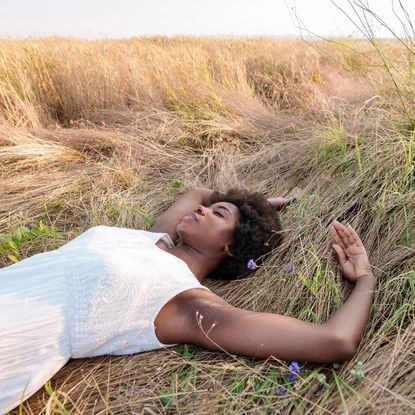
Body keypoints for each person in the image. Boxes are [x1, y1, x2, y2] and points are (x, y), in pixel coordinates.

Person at [0, 186, 376, 413]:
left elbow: (335, 341)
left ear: (231, 247)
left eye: (217, 213)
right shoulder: (152, 239)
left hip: (16, 334)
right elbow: (196, 192)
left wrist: (364, 280)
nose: (201, 209)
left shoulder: (188, 304)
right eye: (211, 207)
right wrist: (258, 205)